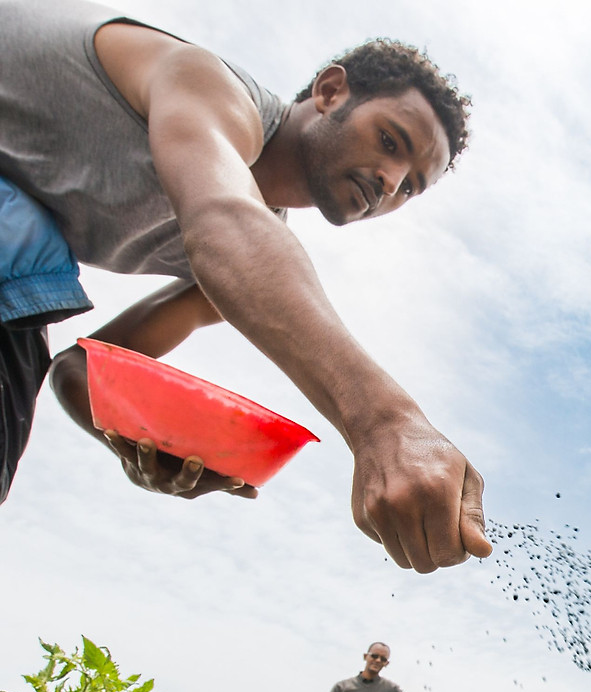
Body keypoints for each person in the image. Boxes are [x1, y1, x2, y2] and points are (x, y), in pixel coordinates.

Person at [0, 0, 491, 573]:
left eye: (412, 187)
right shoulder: (206, 84)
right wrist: (386, 423)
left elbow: (84, 369)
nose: (391, 182)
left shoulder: (239, 264)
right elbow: (225, 222)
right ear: (331, 91)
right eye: (389, 141)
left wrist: (147, 439)